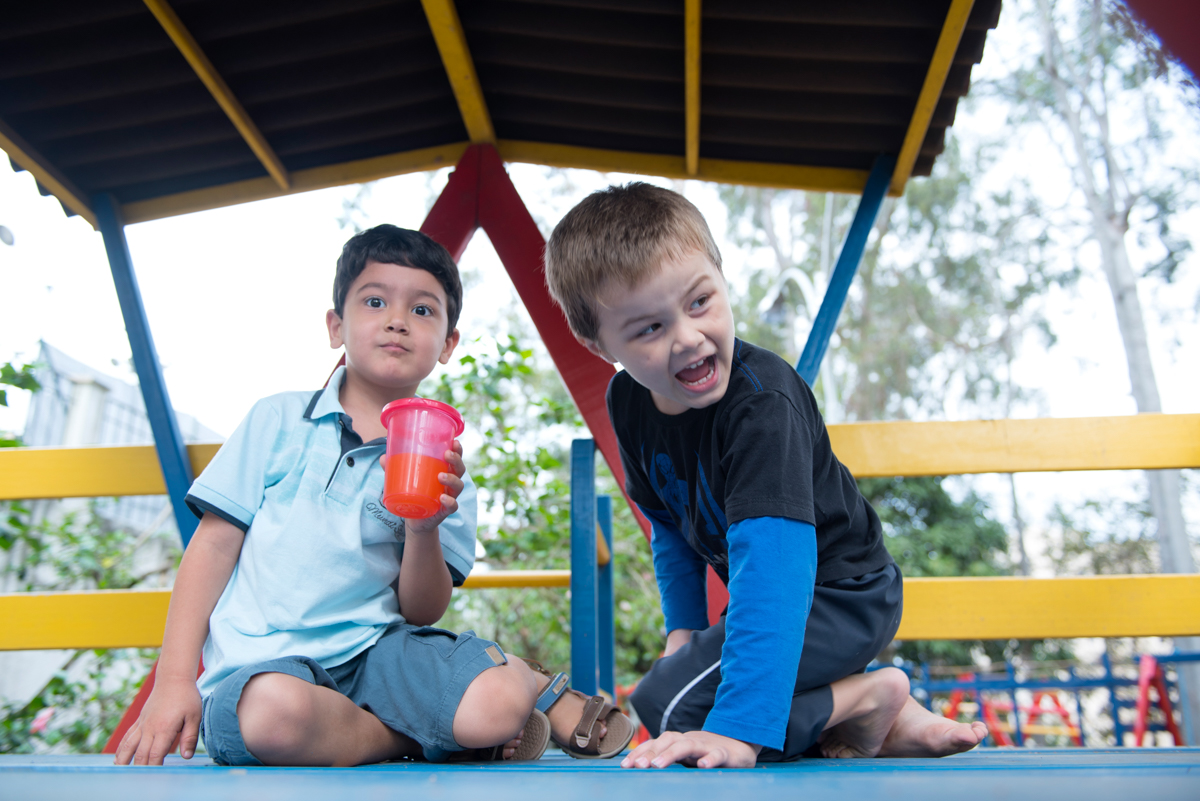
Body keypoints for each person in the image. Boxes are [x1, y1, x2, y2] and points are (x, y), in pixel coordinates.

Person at [115, 225, 631, 767]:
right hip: (263, 670)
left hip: (378, 656)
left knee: (496, 707)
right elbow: (213, 547)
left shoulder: (450, 476)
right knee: (267, 718)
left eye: (423, 310)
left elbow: (421, 610)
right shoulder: (278, 420)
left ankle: (525, 683)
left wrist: (423, 529)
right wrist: (174, 680)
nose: (397, 320)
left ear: (448, 345)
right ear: (336, 326)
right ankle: (410, 737)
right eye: (375, 301)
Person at [544, 184, 989, 769]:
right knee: (663, 697)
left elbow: (776, 571)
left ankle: (870, 696)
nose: (688, 337)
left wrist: (737, 733)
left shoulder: (762, 406)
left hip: (841, 596)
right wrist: (683, 630)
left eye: (700, 302)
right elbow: (669, 527)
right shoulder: (628, 403)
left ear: (721, 277)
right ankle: (870, 709)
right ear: (599, 344)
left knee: (679, 709)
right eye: (649, 329)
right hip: (783, 599)